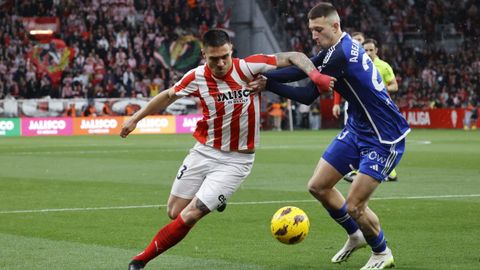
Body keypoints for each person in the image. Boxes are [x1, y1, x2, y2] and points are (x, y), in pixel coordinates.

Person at [120, 29, 334, 270]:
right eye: (214, 58)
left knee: (190, 215)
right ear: (203, 55)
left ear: (231, 50)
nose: (221, 63)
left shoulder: (248, 67)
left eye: (225, 56)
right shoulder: (196, 77)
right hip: (204, 151)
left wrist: (314, 76)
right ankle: (215, 197)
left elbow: (295, 55)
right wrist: (135, 119)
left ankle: (140, 261)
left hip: (236, 162)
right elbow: (168, 96)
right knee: (174, 211)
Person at [248, 3, 410, 269]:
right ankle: (355, 235)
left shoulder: (341, 55)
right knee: (318, 186)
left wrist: (269, 83)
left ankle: (382, 252)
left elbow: (307, 94)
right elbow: (304, 68)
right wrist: (266, 76)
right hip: (358, 128)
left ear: (335, 26)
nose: (314, 35)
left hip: (383, 136)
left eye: (318, 30)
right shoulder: (337, 48)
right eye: (311, 30)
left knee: (355, 206)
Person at [343, 38, 400, 182]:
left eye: (371, 50)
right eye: (366, 50)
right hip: (362, 108)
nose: (368, 53)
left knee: (380, 138)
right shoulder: (358, 64)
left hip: (380, 109)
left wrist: (380, 89)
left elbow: (394, 86)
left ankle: (389, 170)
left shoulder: (384, 66)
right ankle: (364, 169)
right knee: (364, 136)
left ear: (376, 51)